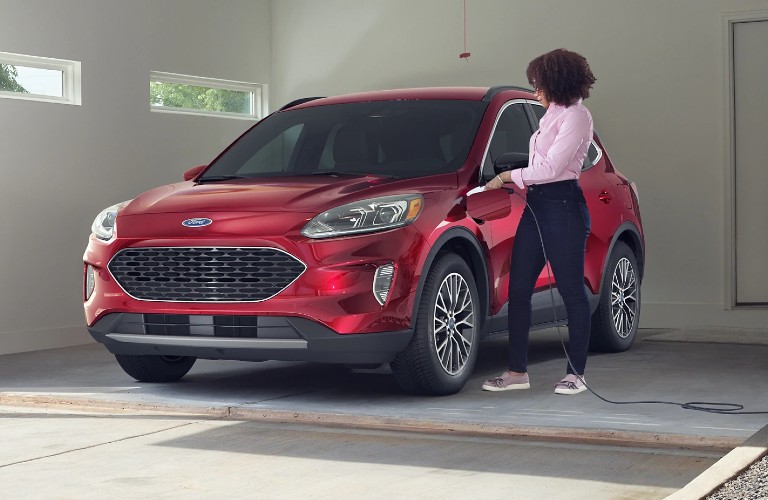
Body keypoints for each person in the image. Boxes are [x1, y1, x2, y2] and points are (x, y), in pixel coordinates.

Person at [482, 48, 596, 395]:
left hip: (562, 205)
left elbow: (550, 170)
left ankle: (576, 373)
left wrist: (506, 177)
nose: (535, 91)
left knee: (571, 291)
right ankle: (518, 372)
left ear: (555, 82)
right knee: (518, 290)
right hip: (537, 206)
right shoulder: (550, 115)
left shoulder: (577, 116)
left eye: (538, 84)